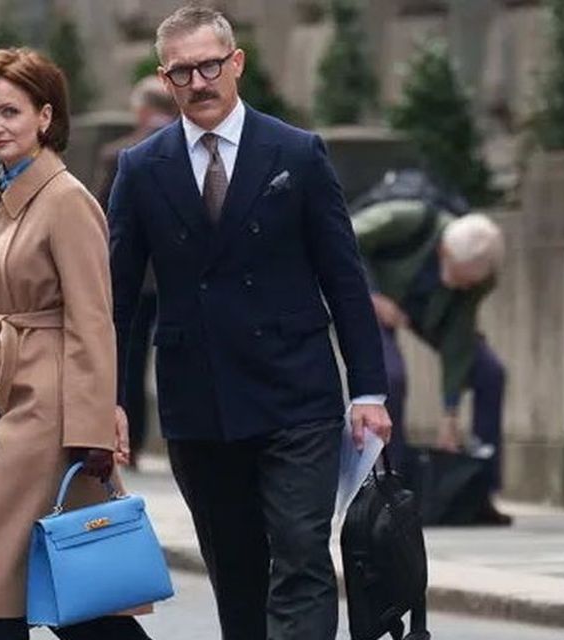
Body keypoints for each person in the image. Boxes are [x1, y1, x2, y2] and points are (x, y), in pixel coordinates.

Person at [108, 7, 392, 640]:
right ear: (165, 77)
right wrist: (107, 399)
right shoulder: (140, 168)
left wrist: (368, 390)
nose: (199, 81)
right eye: (181, 72)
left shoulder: (296, 152)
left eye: (210, 65)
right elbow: (116, 300)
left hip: (298, 396)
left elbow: (344, 280)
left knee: (300, 557)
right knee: (237, 573)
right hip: (198, 402)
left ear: (236, 63)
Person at [0, 48, 152, 640]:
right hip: (2, 403)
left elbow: (94, 320)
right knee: (73, 594)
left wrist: (94, 430)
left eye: (10, 112)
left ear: (45, 116)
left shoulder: (68, 201)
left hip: (48, 416)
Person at [352, 200, 511, 525]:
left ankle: (481, 490)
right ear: (443, 251)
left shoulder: (478, 278)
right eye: (459, 276)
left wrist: (449, 414)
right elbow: (341, 241)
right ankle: (386, 490)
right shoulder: (407, 219)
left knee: (489, 373)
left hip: (427, 313)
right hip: (368, 300)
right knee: (390, 378)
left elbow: (459, 339)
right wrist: (371, 296)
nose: (464, 286)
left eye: (470, 284)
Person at [94, 76, 178, 469]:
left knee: (128, 354)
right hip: (180, 275)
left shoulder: (120, 154)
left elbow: (102, 216)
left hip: (136, 275)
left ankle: (131, 445)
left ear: (142, 111)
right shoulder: (190, 151)